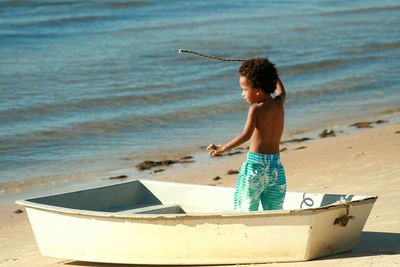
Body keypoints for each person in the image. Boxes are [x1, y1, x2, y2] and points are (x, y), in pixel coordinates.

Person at [207, 58, 287, 212]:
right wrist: (269, 73)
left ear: (257, 90)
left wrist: (223, 148)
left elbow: (246, 135)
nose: (242, 93)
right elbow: (281, 91)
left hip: (255, 168)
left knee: (246, 208)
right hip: (275, 168)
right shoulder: (279, 103)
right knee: (275, 209)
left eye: (244, 89)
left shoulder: (256, 109)